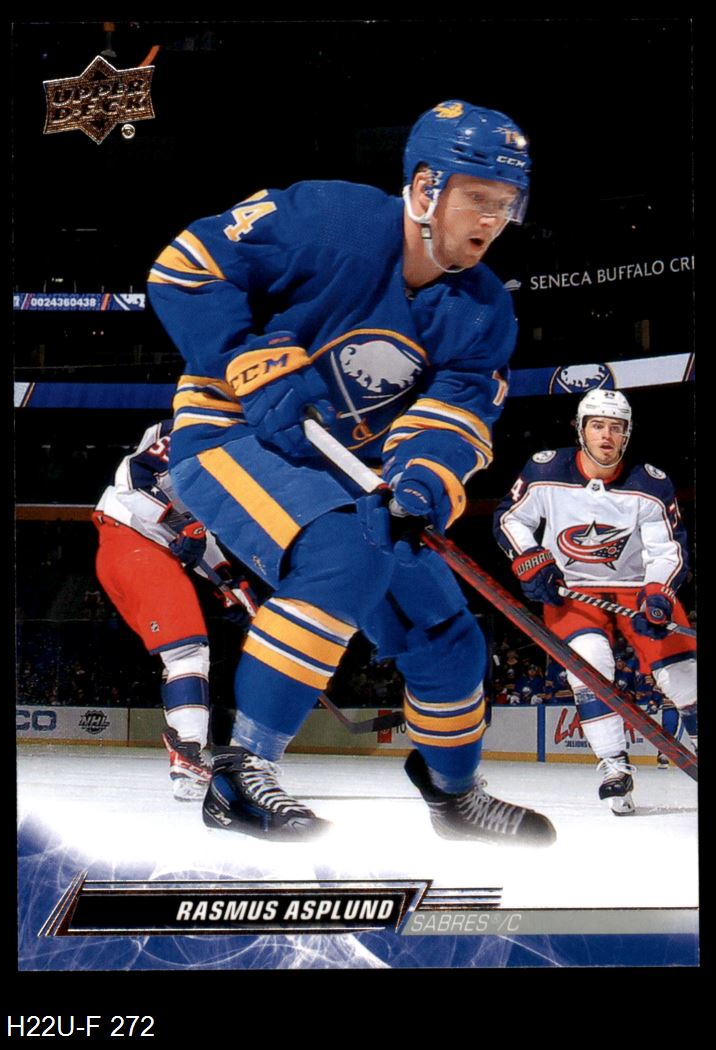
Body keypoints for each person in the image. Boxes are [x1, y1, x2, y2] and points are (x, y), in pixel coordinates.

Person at [147, 99, 555, 846]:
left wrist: (422, 482)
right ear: (426, 187)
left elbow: (455, 416)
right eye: (479, 197)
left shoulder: (484, 309)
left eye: (506, 204)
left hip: (351, 469)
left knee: (445, 633)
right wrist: (250, 359)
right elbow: (186, 265)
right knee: (342, 554)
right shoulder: (330, 217)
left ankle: (455, 796)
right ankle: (241, 774)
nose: (492, 220)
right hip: (230, 433)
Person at [493, 389, 697, 814]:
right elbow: (512, 518)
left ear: (628, 434)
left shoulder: (651, 483)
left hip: (637, 588)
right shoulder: (546, 470)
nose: (607, 435)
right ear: (580, 429)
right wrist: (530, 558)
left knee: (682, 674)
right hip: (573, 591)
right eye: (598, 425)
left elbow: (667, 549)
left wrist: (658, 591)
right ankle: (613, 765)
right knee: (589, 667)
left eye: (616, 427)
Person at [93, 419, 256, 800]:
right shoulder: (199, 427)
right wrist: (179, 524)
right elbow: (132, 477)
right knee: (187, 652)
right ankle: (187, 752)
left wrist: (229, 584)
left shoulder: (235, 457)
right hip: (134, 545)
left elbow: (202, 537)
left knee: (184, 654)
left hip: (136, 551)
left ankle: (189, 753)